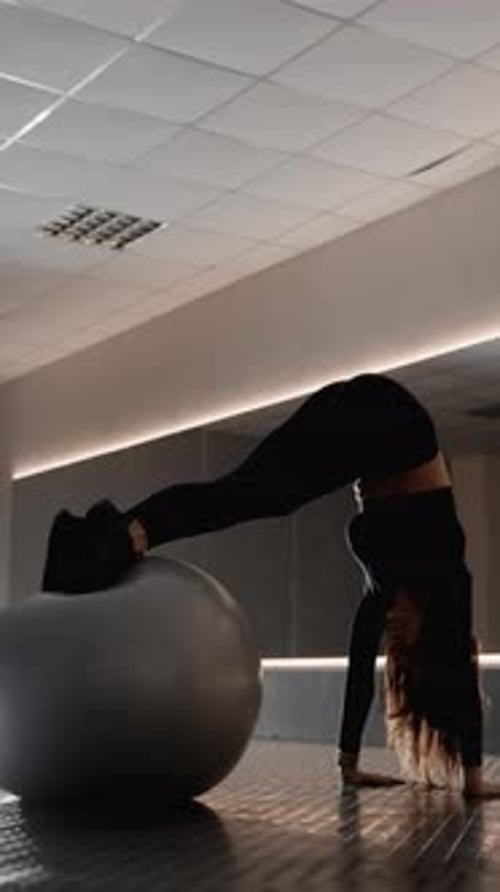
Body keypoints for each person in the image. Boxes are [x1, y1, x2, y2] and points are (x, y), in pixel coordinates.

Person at [41, 374, 499, 799]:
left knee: (241, 491)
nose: (392, 629)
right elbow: (459, 673)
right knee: (260, 496)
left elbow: (360, 669)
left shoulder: (380, 592)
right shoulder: (447, 578)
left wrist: (348, 765)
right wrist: (474, 779)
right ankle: (117, 537)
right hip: (391, 420)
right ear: (434, 635)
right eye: (405, 635)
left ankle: (106, 531)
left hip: (357, 412)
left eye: (394, 640)